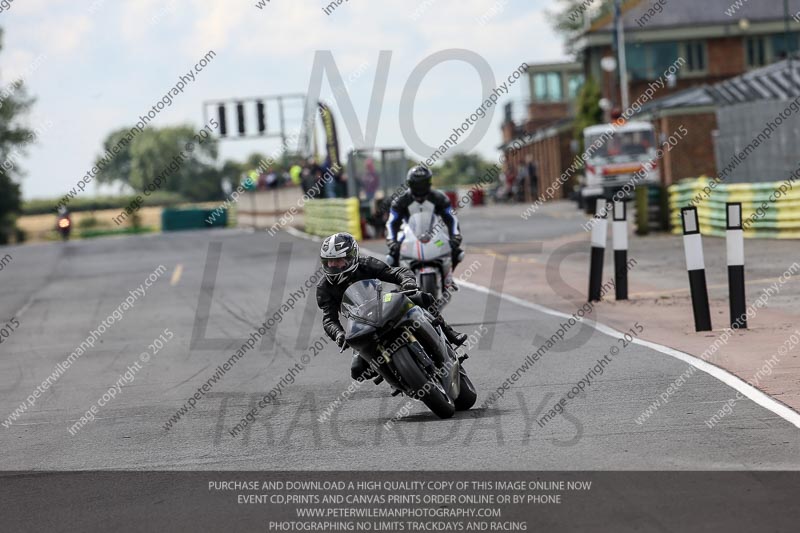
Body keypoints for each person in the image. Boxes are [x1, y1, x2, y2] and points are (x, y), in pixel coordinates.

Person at [316, 233, 468, 381]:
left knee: (420, 298)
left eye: (338, 260)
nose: (332, 265)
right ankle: (395, 376)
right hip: (360, 323)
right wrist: (338, 334)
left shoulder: (366, 264)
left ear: (351, 257)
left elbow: (397, 272)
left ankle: (449, 333)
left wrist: (407, 282)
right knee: (358, 371)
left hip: (383, 305)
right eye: (328, 261)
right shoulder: (324, 287)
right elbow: (329, 319)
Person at [385, 165, 463, 288]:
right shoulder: (400, 200)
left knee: (457, 252)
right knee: (391, 255)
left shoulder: (439, 197)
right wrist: (391, 240)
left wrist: (455, 235)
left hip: (434, 232)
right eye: (417, 184)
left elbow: (451, 217)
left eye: (423, 183)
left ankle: (448, 278)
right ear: (410, 184)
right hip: (408, 233)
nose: (420, 188)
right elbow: (392, 222)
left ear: (429, 183)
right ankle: (400, 283)